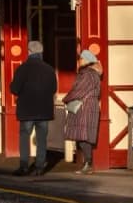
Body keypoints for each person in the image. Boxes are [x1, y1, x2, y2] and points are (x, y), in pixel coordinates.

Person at [11, 40, 58, 174]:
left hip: (27, 110)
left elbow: (14, 89)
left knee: (25, 137)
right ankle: (39, 166)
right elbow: (53, 88)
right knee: (42, 139)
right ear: (41, 52)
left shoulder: (22, 68)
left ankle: (24, 166)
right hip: (44, 110)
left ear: (29, 52)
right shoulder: (49, 69)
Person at [62, 50, 104, 173]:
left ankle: (88, 164)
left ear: (86, 60)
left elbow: (78, 91)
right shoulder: (92, 74)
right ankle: (87, 164)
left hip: (84, 108)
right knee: (83, 136)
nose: (78, 61)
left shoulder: (87, 74)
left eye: (80, 59)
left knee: (83, 137)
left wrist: (66, 98)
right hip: (88, 107)